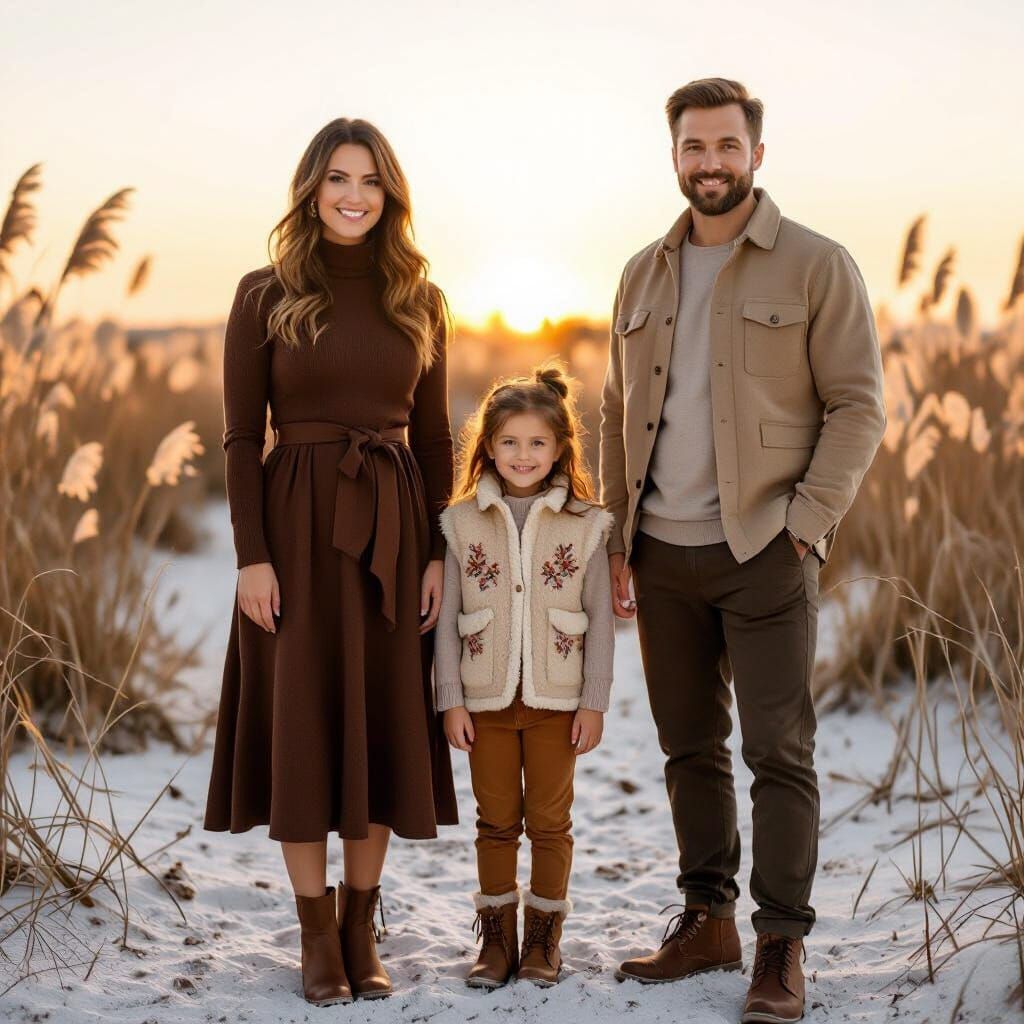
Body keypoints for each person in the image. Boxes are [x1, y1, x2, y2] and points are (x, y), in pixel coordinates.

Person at [600, 78, 886, 1024]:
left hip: (767, 547)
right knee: (689, 747)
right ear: (673, 155)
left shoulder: (815, 264)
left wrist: (806, 523)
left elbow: (857, 405)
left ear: (756, 154)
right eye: (694, 147)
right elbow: (616, 412)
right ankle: (708, 920)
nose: (710, 163)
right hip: (660, 553)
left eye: (727, 146)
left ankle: (779, 947)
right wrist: (615, 534)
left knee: (778, 751)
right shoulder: (642, 272)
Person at [202, 117, 458, 1006]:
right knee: (306, 725)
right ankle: (316, 933)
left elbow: (432, 436)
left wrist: (437, 554)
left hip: (392, 533)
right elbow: (241, 440)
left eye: (372, 182)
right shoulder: (261, 294)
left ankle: (362, 925)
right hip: (295, 531)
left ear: (391, 195)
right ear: (311, 188)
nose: (355, 196)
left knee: (381, 719)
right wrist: (252, 560)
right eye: (339, 179)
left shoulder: (418, 297)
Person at [434, 363, 615, 989]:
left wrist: (593, 702)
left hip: (556, 701)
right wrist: (450, 699)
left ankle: (543, 938)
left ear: (560, 447)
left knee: (549, 822)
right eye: (509, 442)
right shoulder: (461, 523)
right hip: (484, 702)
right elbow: (450, 617)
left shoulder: (586, 524)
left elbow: (599, 618)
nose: (523, 455)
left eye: (538, 442)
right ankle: (496, 939)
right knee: (495, 822)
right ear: (487, 446)